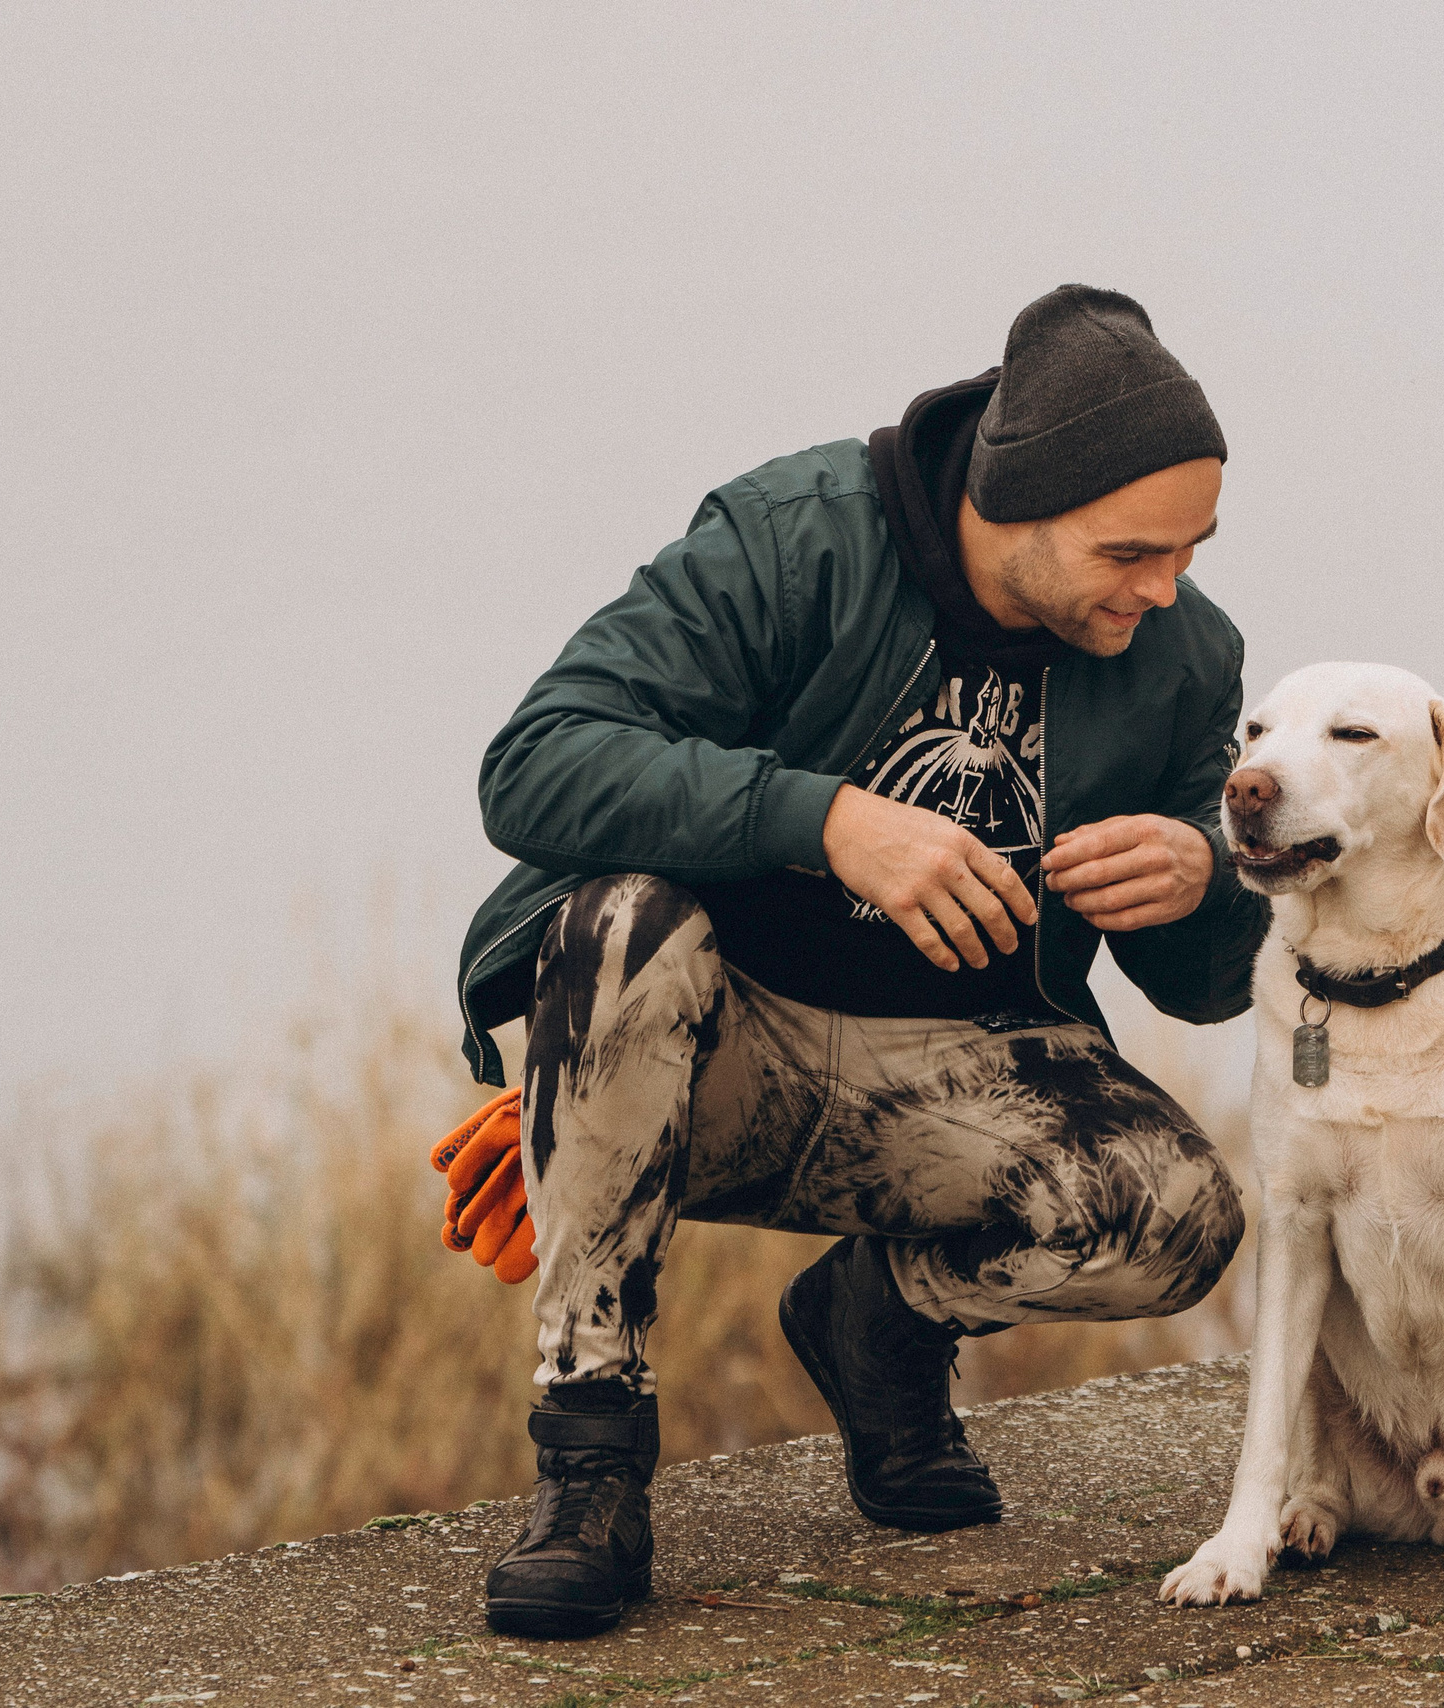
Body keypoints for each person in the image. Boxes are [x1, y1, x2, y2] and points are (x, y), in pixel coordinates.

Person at [444, 285, 1267, 1639]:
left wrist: (1204, 875)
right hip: (710, 1041)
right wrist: (827, 821)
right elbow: (536, 763)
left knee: (1180, 1219)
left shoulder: (1183, 656)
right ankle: (590, 1463)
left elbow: (1207, 987)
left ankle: (875, 1324)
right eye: (1130, 552)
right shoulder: (792, 541)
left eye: (1191, 548)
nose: (1164, 588)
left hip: (956, 1074)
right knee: (618, 916)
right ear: (1012, 504)